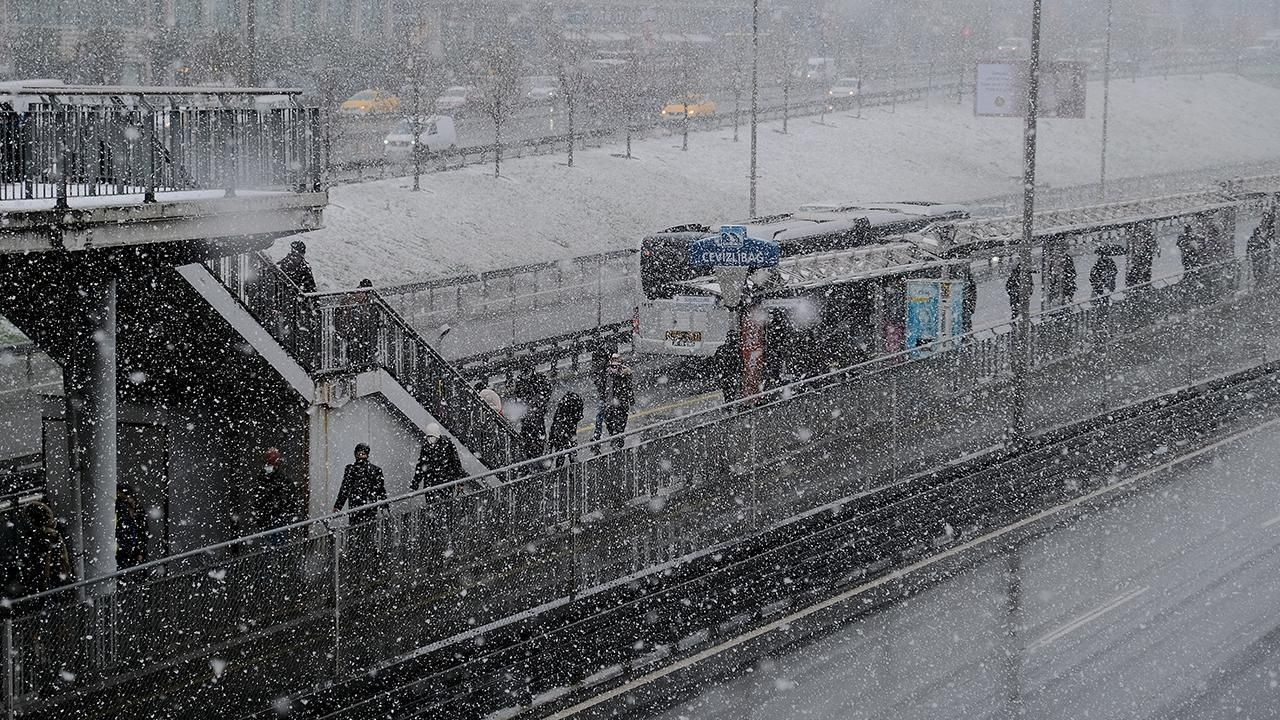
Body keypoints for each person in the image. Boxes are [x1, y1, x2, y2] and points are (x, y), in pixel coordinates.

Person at [21, 502, 71, 595]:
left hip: (47, 578)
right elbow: (57, 559)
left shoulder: (39, 536)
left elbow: (45, 562)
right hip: (56, 575)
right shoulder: (53, 535)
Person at [333, 443, 387, 526]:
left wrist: (338, 506)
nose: (361, 454)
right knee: (364, 529)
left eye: (363, 452)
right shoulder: (373, 469)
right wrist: (385, 507)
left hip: (361, 506)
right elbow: (345, 488)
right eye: (359, 452)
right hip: (365, 505)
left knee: (360, 529)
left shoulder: (353, 469)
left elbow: (381, 490)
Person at [593, 354, 635, 451]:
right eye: (613, 362)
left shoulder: (625, 374)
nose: (614, 366)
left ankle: (618, 440)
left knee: (621, 424)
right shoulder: (606, 373)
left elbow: (629, 390)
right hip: (609, 404)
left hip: (621, 405)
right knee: (609, 423)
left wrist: (631, 404)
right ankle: (614, 439)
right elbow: (601, 385)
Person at [511, 361, 553, 457]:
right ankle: (530, 454)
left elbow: (547, 390)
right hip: (526, 415)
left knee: (538, 435)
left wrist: (539, 403)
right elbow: (517, 396)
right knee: (527, 437)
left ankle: (538, 453)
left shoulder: (539, 379)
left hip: (537, 414)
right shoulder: (520, 381)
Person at [253, 447, 295, 537]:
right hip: (273, 514)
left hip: (273, 514)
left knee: (274, 540)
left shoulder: (267, 478)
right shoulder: (279, 478)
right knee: (277, 540)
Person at [412, 424, 466, 494]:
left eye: (432, 438)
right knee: (433, 502)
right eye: (428, 438)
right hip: (431, 484)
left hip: (446, 482)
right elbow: (421, 466)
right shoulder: (426, 447)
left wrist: (460, 482)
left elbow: (456, 463)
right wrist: (415, 484)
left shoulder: (448, 445)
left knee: (445, 502)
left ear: (437, 436)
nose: (430, 441)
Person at [339, 279, 378, 371]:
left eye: (364, 293)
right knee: (355, 346)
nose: (361, 295)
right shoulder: (350, 301)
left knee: (366, 343)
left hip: (362, 331)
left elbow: (372, 314)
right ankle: (354, 363)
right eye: (360, 293)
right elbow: (343, 316)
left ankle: (366, 361)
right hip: (353, 331)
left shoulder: (368, 301)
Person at [547, 392, 585, 464]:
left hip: (560, 430)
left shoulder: (561, 414)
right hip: (563, 431)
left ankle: (560, 469)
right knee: (568, 453)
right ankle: (571, 469)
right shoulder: (570, 417)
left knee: (561, 453)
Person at [115, 484, 148, 568]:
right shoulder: (122, 509)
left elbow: (143, 530)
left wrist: (140, 550)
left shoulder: (136, 510)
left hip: (131, 547)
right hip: (126, 547)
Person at [710, 330, 743, 403]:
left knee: (726, 392)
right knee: (732, 391)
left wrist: (718, 373)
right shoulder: (737, 350)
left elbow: (715, 362)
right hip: (733, 375)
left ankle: (728, 404)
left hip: (724, 375)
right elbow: (740, 363)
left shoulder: (721, 349)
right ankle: (730, 405)